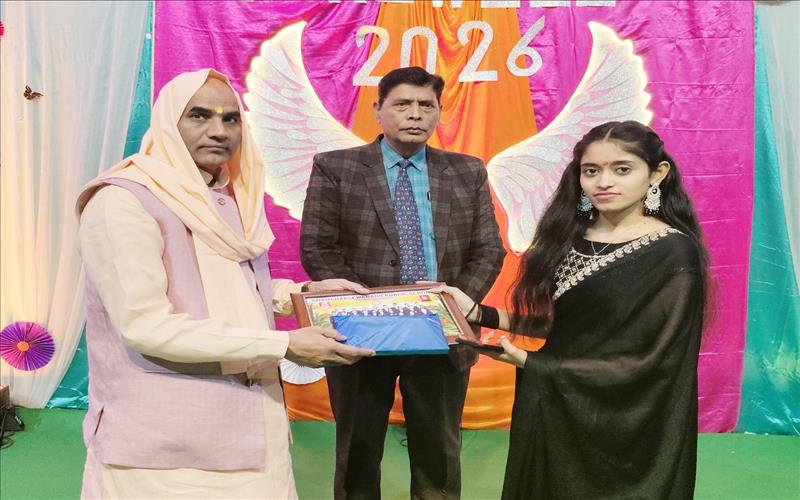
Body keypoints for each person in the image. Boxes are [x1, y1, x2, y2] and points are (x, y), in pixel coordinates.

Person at [76, 68, 373, 499]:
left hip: (251, 424)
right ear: (168, 122)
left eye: (230, 118)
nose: (219, 131)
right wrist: (285, 345)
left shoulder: (224, 197)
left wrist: (304, 296)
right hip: (165, 444)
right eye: (199, 115)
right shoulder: (122, 201)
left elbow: (230, 285)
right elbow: (145, 326)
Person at [434, 121, 709, 499]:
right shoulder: (569, 238)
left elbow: (656, 360)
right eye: (590, 171)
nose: (603, 182)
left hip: (625, 415)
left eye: (622, 169)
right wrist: (479, 313)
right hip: (555, 403)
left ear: (657, 174)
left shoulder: (673, 252)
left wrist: (533, 364)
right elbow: (563, 327)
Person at [300, 66, 506, 499]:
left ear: (439, 113)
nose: (415, 114)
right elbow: (318, 249)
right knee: (357, 452)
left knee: (439, 453)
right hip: (360, 334)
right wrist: (370, 310)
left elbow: (489, 250)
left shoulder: (467, 171)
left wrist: (454, 305)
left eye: (426, 105)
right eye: (403, 104)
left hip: (442, 333)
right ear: (378, 110)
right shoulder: (336, 167)